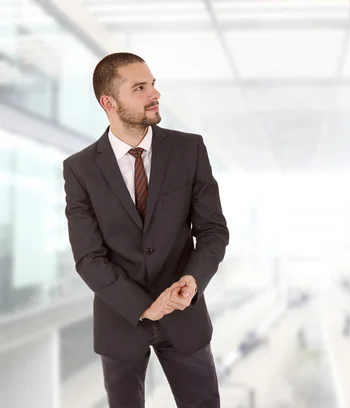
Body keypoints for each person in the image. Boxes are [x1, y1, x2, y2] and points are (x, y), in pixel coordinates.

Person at [62, 52, 229, 408]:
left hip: (185, 315)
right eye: (140, 88)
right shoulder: (79, 170)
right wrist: (144, 307)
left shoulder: (189, 149)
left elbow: (213, 230)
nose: (154, 94)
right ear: (109, 102)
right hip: (121, 319)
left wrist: (193, 280)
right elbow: (88, 257)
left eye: (153, 84)